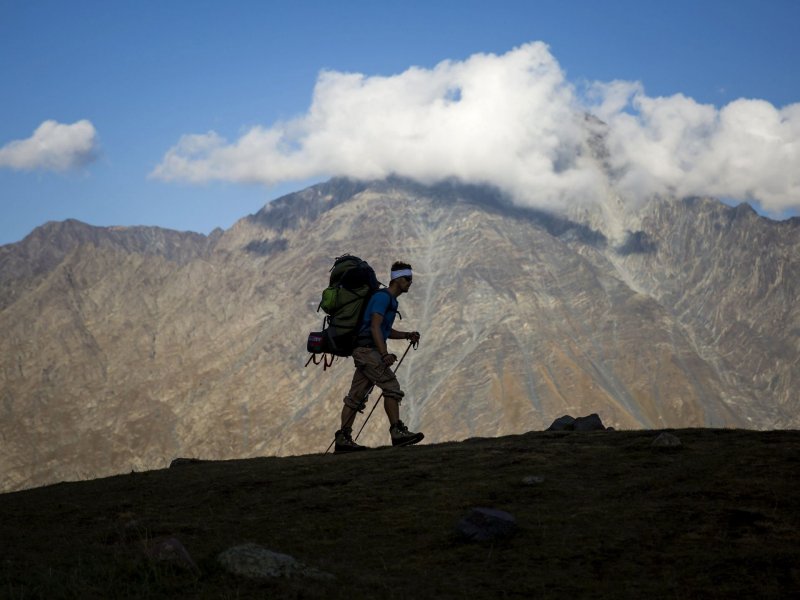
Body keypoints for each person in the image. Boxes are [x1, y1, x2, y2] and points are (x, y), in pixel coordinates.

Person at [334, 261, 423, 452]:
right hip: (368, 351)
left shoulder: (388, 299)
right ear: (398, 279)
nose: (410, 282)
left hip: (363, 350)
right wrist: (384, 354)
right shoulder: (383, 298)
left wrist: (407, 335)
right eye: (408, 279)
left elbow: (385, 330)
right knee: (391, 387)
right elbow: (375, 326)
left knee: (355, 397)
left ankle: (343, 440)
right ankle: (397, 433)